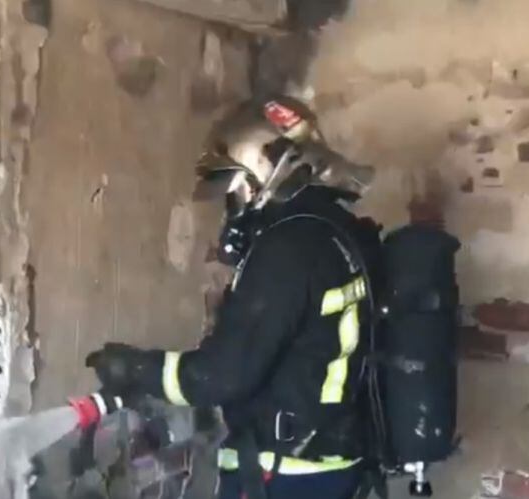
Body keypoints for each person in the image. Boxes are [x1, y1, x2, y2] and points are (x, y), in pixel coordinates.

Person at [84, 96, 382, 499]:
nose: (232, 207)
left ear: (264, 176)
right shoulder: (336, 230)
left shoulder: (285, 250)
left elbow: (222, 377)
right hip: (333, 462)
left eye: (234, 190)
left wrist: (136, 368)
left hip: (283, 472)